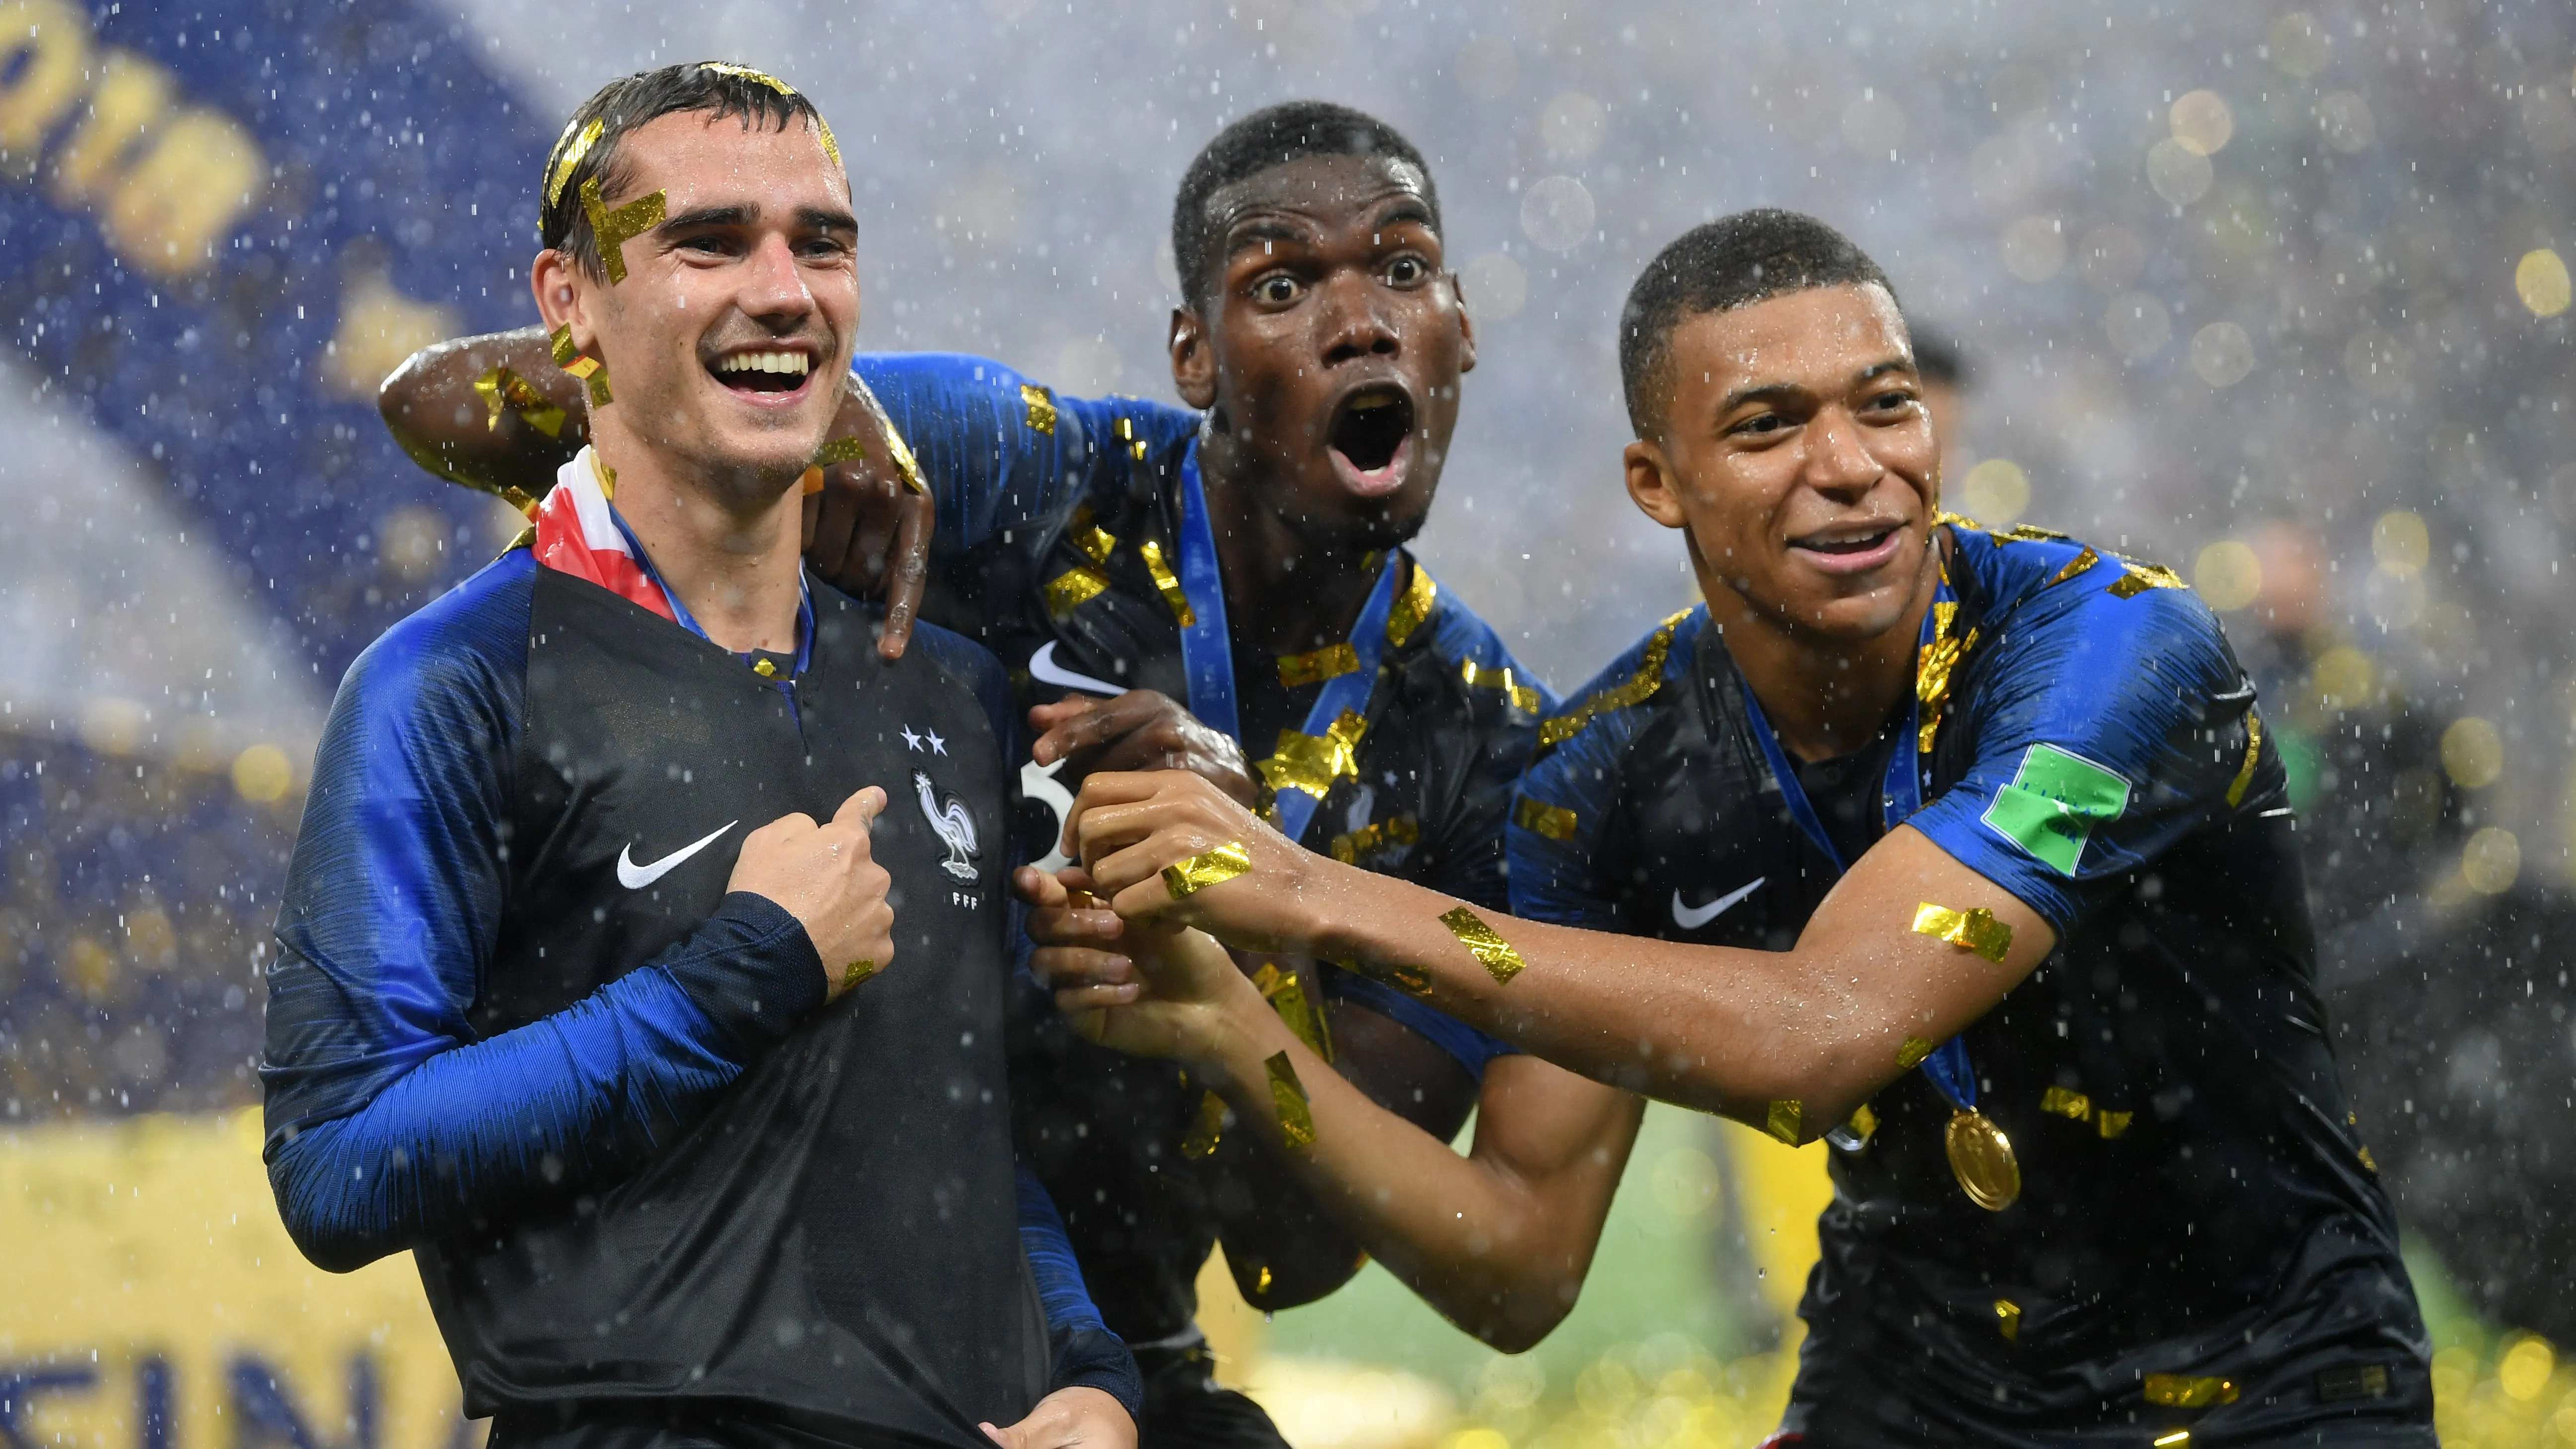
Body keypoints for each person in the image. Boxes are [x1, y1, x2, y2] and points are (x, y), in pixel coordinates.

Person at [1033, 210, 2436, 1445]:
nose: (1850, 467)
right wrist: (1234, 1023)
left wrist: (1316, 894)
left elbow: (1824, 1034)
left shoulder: (2114, 654)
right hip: (1900, 1401)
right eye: (1768, 427)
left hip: (2269, 1391)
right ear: (1658, 485)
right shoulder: (1608, 777)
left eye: (1883, 409)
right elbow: (1515, 1265)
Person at [377, 101, 1641, 1448]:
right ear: (1193, 357)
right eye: (1278, 285)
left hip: (1105, 1368)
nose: (1358, 322)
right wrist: (804, 408)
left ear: (1459, 326)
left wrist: (1250, 938)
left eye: (1401, 270)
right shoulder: (1023, 468)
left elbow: (1296, 1259)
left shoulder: (1483, 754)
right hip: (744, 1333)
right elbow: (441, 410)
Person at [260, 64, 1138, 1449]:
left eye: (822, 243)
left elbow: (948, 1133)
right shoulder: (451, 686)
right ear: (568, 303)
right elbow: (340, 1160)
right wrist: (746, 974)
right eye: (711, 241)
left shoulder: (950, 691)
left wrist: (1088, 1373)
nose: (785, 288)